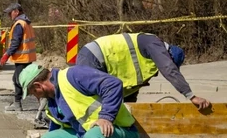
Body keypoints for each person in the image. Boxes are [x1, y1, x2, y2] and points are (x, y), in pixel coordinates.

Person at [76, 32, 211, 109]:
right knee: (92, 104)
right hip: (94, 57)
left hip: (98, 61)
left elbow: (130, 85)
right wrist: (191, 96)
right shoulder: (153, 43)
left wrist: (131, 109)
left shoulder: (149, 58)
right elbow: (169, 69)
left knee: (107, 107)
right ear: (169, 55)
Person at [0, 3, 37, 112]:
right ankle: (20, 102)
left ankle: (18, 104)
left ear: (16, 11)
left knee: (18, 80)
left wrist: (6, 55)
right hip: (27, 56)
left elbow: (16, 42)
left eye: (10, 13)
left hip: (22, 57)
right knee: (23, 80)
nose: (9, 15)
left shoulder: (19, 24)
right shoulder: (26, 22)